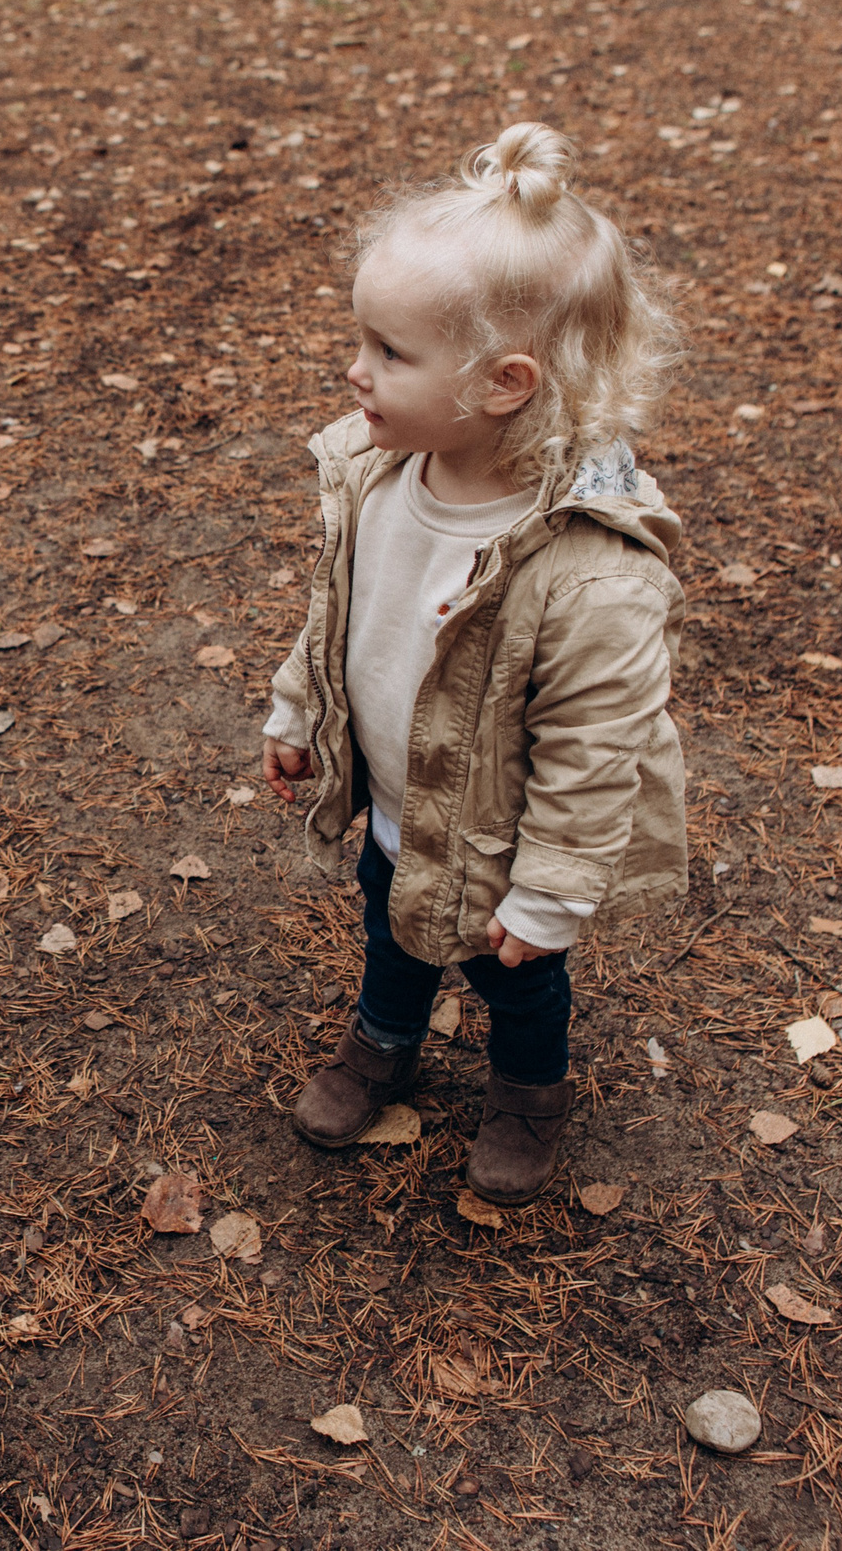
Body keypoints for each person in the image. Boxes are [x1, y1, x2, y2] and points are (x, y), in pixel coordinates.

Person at [258, 124, 689, 1204]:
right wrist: (295, 712)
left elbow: (596, 753)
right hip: (406, 813)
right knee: (391, 927)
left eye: (390, 353)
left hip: (503, 841)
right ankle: (382, 1044)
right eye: (361, 339)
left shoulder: (588, 574)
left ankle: (525, 1095)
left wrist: (549, 895)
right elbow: (340, 613)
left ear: (503, 382)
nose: (355, 372)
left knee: (519, 987)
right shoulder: (377, 474)